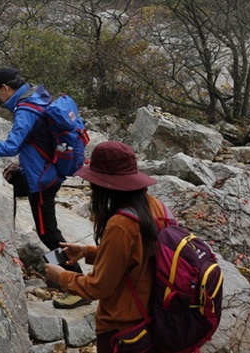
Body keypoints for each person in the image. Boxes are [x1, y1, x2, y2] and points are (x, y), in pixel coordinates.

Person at [0, 66, 86, 307]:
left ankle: (78, 286)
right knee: (8, 185)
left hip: (43, 182)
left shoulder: (25, 109)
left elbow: (11, 146)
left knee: (48, 235)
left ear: (5, 88)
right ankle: (6, 241)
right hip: (41, 171)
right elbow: (36, 141)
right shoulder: (37, 96)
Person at [43, 141, 167, 353]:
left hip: (123, 330)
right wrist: (87, 252)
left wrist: (61, 277)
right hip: (154, 319)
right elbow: (140, 257)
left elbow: (99, 287)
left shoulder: (120, 225)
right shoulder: (154, 205)